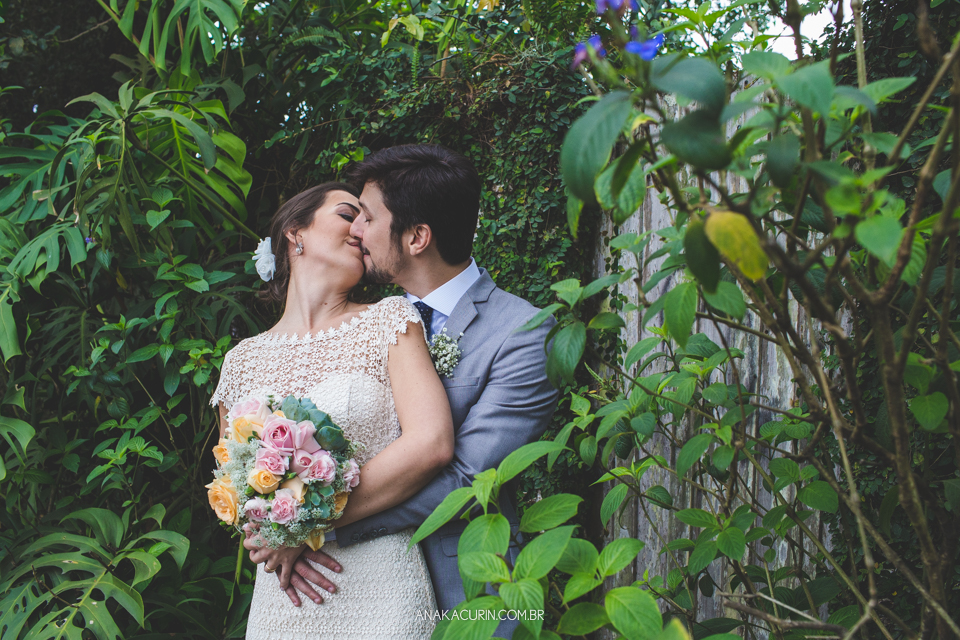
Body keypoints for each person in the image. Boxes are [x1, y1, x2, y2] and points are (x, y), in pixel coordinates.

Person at [277, 145, 559, 635]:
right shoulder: (365, 325)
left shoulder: (524, 333)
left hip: (468, 587)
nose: (355, 231)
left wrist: (315, 525)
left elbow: (470, 479)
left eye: (366, 216)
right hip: (350, 593)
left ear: (417, 237)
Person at [209, 182, 455, 639]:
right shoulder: (241, 360)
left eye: (367, 218)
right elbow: (237, 490)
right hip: (286, 597)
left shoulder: (390, 320)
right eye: (348, 214)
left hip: (381, 586)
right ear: (294, 232)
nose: (361, 227)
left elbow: (431, 443)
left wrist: (302, 528)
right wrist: (266, 535)